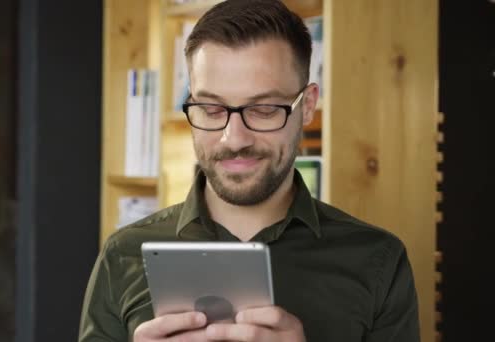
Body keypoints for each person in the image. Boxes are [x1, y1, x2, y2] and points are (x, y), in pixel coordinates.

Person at [79, 0, 420, 341]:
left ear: (308, 107)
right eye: (211, 109)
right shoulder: (122, 255)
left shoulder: (377, 260)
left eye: (264, 108)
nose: (234, 138)